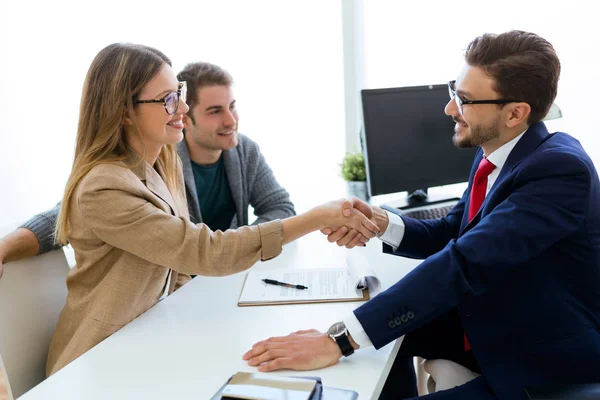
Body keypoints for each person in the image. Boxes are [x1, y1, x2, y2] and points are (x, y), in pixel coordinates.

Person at [242, 30, 600, 400]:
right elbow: (452, 232)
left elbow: (465, 261)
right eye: (453, 91)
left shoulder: (559, 170)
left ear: (515, 113)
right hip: (490, 322)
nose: (449, 109)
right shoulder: (498, 149)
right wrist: (383, 223)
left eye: (463, 100)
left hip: (539, 362)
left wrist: (340, 339)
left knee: (363, 338)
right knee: (382, 340)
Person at [43, 43, 379, 376]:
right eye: (168, 99)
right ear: (124, 112)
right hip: (94, 361)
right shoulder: (105, 186)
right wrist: (318, 217)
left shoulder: (160, 162)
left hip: (147, 338)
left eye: (180, 93)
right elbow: (201, 251)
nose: (183, 108)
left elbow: (174, 268)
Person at [0, 62, 295, 279]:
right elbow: (68, 214)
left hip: (220, 278)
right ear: (186, 118)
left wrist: (234, 247)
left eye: (232, 106)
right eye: (215, 111)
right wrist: (5, 247)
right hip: (183, 294)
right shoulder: (159, 158)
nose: (231, 120)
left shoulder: (244, 151)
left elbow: (280, 206)